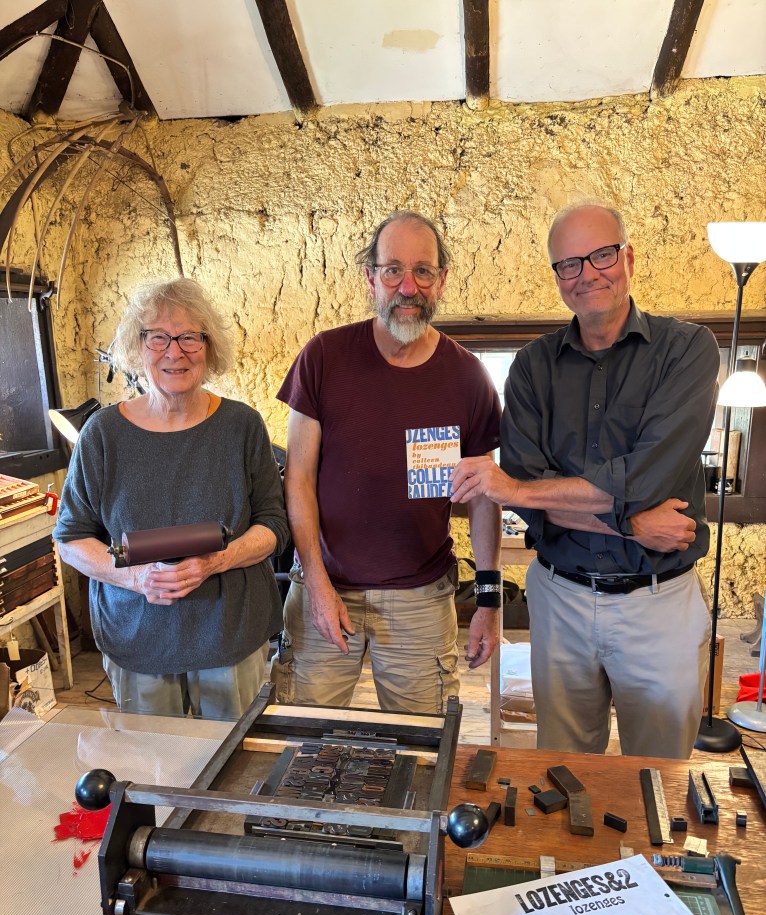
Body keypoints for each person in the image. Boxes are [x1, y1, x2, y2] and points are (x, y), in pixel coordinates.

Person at [450, 201, 719, 759]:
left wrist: (517, 490)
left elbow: (644, 477)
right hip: (561, 599)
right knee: (563, 770)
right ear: (557, 276)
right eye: (569, 264)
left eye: (601, 255)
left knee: (660, 771)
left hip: (658, 602)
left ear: (629, 258)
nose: (587, 274)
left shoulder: (688, 350)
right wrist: (633, 525)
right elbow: (535, 496)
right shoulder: (531, 366)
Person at [273, 210, 502, 714]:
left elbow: (484, 496)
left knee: (422, 744)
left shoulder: (468, 378)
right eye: (393, 270)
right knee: (302, 733)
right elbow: (299, 481)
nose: (408, 286)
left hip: (421, 600)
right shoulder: (324, 357)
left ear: (442, 279)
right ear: (371, 277)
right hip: (326, 585)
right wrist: (315, 582)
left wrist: (490, 599)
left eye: (423, 271)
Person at [54, 278, 289, 720]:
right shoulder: (102, 435)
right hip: (137, 636)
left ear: (209, 346)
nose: (174, 352)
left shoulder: (242, 426)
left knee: (231, 753)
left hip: (229, 631)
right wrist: (136, 578)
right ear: (137, 346)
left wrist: (216, 562)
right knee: (152, 758)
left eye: (189, 337)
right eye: (157, 337)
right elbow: (71, 539)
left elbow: (274, 524)